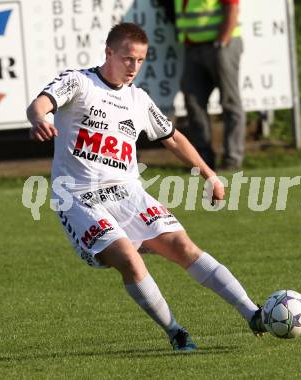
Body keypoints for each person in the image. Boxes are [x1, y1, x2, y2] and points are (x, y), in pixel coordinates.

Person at [26, 23, 265, 352]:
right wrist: (40, 119)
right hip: (78, 197)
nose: (133, 67)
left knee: (183, 247)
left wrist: (209, 173)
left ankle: (253, 313)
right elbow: (39, 104)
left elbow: (172, 137)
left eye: (140, 61)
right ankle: (176, 333)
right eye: (127, 58)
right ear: (109, 52)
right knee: (128, 256)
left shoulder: (138, 99)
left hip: (127, 192)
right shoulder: (79, 82)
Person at [175, 0, 246, 170]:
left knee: (230, 103)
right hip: (193, 47)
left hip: (221, 45)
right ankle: (203, 161)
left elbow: (232, 7)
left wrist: (222, 42)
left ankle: (232, 159)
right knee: (193, 103)